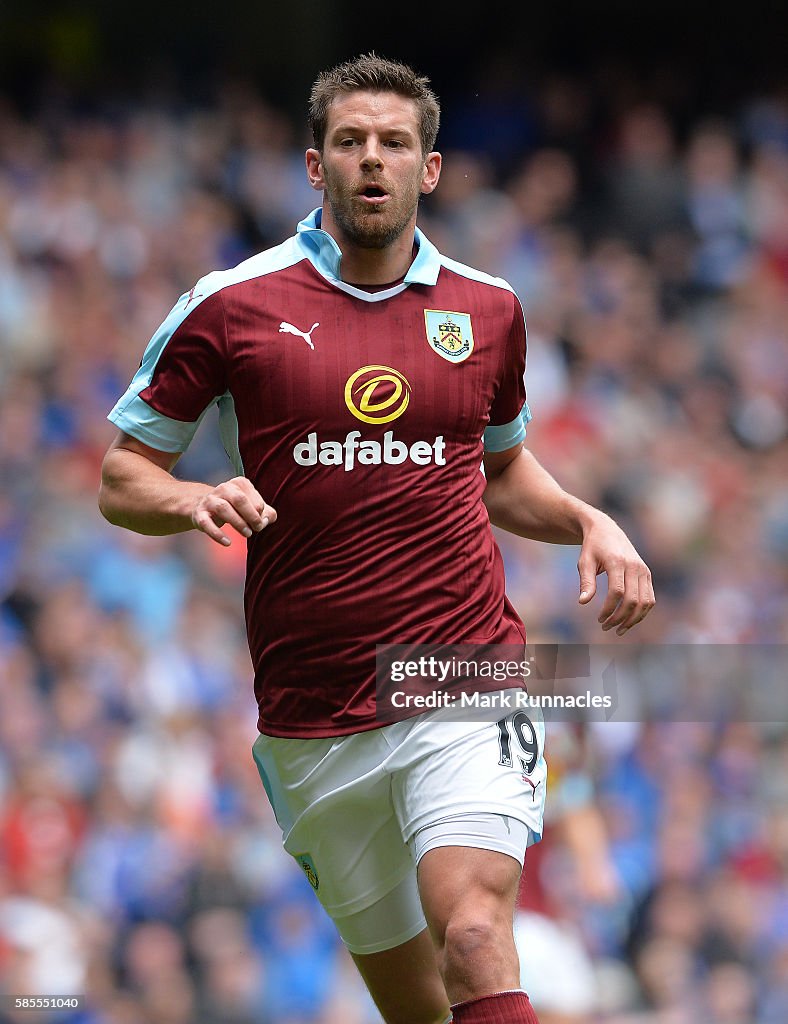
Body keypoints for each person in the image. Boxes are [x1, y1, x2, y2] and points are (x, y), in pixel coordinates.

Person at [99, 53, 654, 1024]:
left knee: (476, 935)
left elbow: (499, 471)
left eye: (393, 144)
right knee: (418, 1009)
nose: (371, 160)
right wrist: (189, 500)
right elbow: (121, 475)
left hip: (458, 669)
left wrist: (584, 517)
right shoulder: (231, 303)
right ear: (314, 167)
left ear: (427, 169)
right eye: (348, 142)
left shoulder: (486, 311)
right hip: (311, 713)